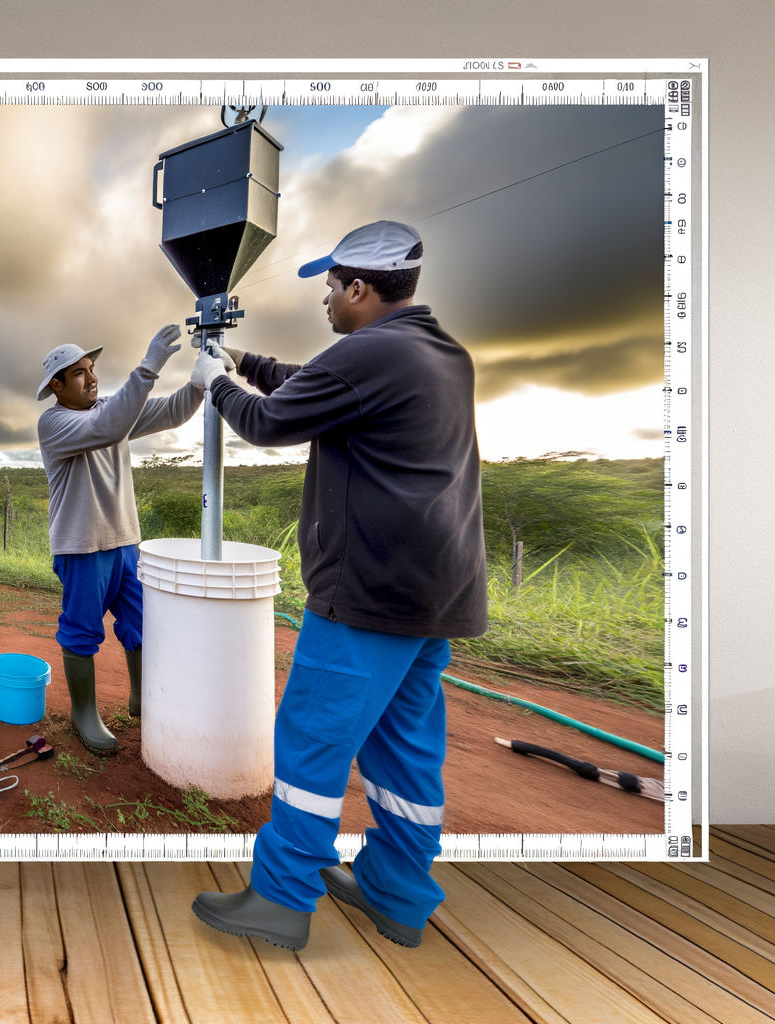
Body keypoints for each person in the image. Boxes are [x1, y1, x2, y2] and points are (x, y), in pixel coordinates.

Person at [186, 220, 487, 951]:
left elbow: (267, 422)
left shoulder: (370, 353)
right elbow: (316, 389)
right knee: (403, 748)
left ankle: (282, 899)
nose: (325, 298)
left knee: (312, 742)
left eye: (330, 286)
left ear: (359, 288)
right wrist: (248, 359)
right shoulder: (435, 350)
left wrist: (215, 383)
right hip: (432, 595)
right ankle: (396, 892)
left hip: (368, 594)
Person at [36, 324, 207, 756]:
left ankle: (141, 699)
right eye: (78, 373)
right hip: (82, 547)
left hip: (126, 544)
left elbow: (173, 411)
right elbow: (108, 428)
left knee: (143, 624)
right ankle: (84, 714)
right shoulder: (54, 422)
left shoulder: (113, 408)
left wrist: (202, 379)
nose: (91, 378)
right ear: (57, 385)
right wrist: (147, 367)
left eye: (92, 369)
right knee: (81, 631)